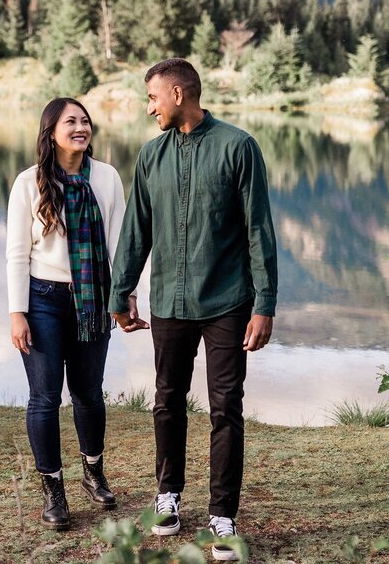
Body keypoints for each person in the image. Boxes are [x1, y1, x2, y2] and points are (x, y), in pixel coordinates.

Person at [109, 58, 277, 562]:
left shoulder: (238, 148)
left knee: (226, 407)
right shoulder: (149, 156)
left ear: (179, 94)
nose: (149, 107)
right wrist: (122, 294)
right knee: (167, 400)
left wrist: (264, 304)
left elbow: (258, 232)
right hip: (171, 303)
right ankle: (169, 498)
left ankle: (223, 516)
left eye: (153, 97)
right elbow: (136, 230)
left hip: (228, 301)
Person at [6, 97, 136, 530]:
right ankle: (53, 490)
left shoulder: (107, 177)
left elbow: (119, 242)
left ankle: (93, 470)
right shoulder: (29, 182)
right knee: (44, 397)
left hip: (94, 297)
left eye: (85, 121)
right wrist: (17, 312)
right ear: (51, 131)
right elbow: (15, 255)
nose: (81, 128)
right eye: (71, 122)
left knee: (88, 393)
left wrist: (126, 294)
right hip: (42, 298)